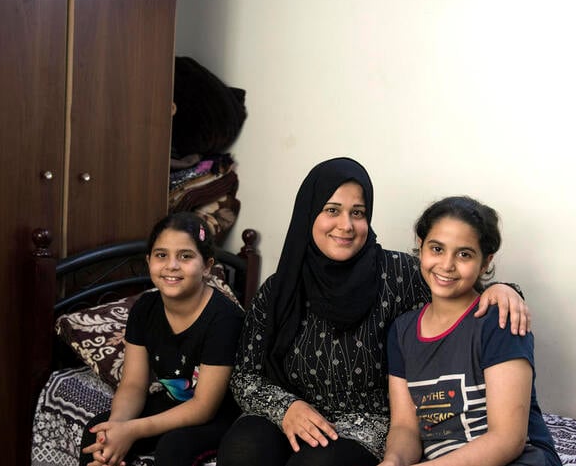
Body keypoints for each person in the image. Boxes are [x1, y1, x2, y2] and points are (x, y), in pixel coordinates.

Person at [217, 158, 530, 466]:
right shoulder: (279, 289)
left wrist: (503, 289)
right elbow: (245, 376)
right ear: (308, 213)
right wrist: (288, 409)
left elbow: (454, 284)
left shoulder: (400, 274)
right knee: (244, 448)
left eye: (358, 213)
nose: (346, 225)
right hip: (286, 413)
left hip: (366, 426)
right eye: (332, 210)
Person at [380, 196, 560, 466]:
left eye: (464, 254)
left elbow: (507, 439)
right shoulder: (402, 331)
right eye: (437, 249)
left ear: (485, 262)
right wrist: (393, 461)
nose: (447, 265)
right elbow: (405, 427)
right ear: (421, 246)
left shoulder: (498, 321)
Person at [79, 212, 244, 466]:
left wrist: (134, 430)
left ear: (207, 266)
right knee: (97, 431)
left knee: (174, 446)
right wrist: (117, 427)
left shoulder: (224, 319)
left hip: (220, 414)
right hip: (174, 401)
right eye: (161, 255)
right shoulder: (144, 309)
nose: (172, 265)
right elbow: (133, 385)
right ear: (149, 261)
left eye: (186, 256)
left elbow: (203, 407)